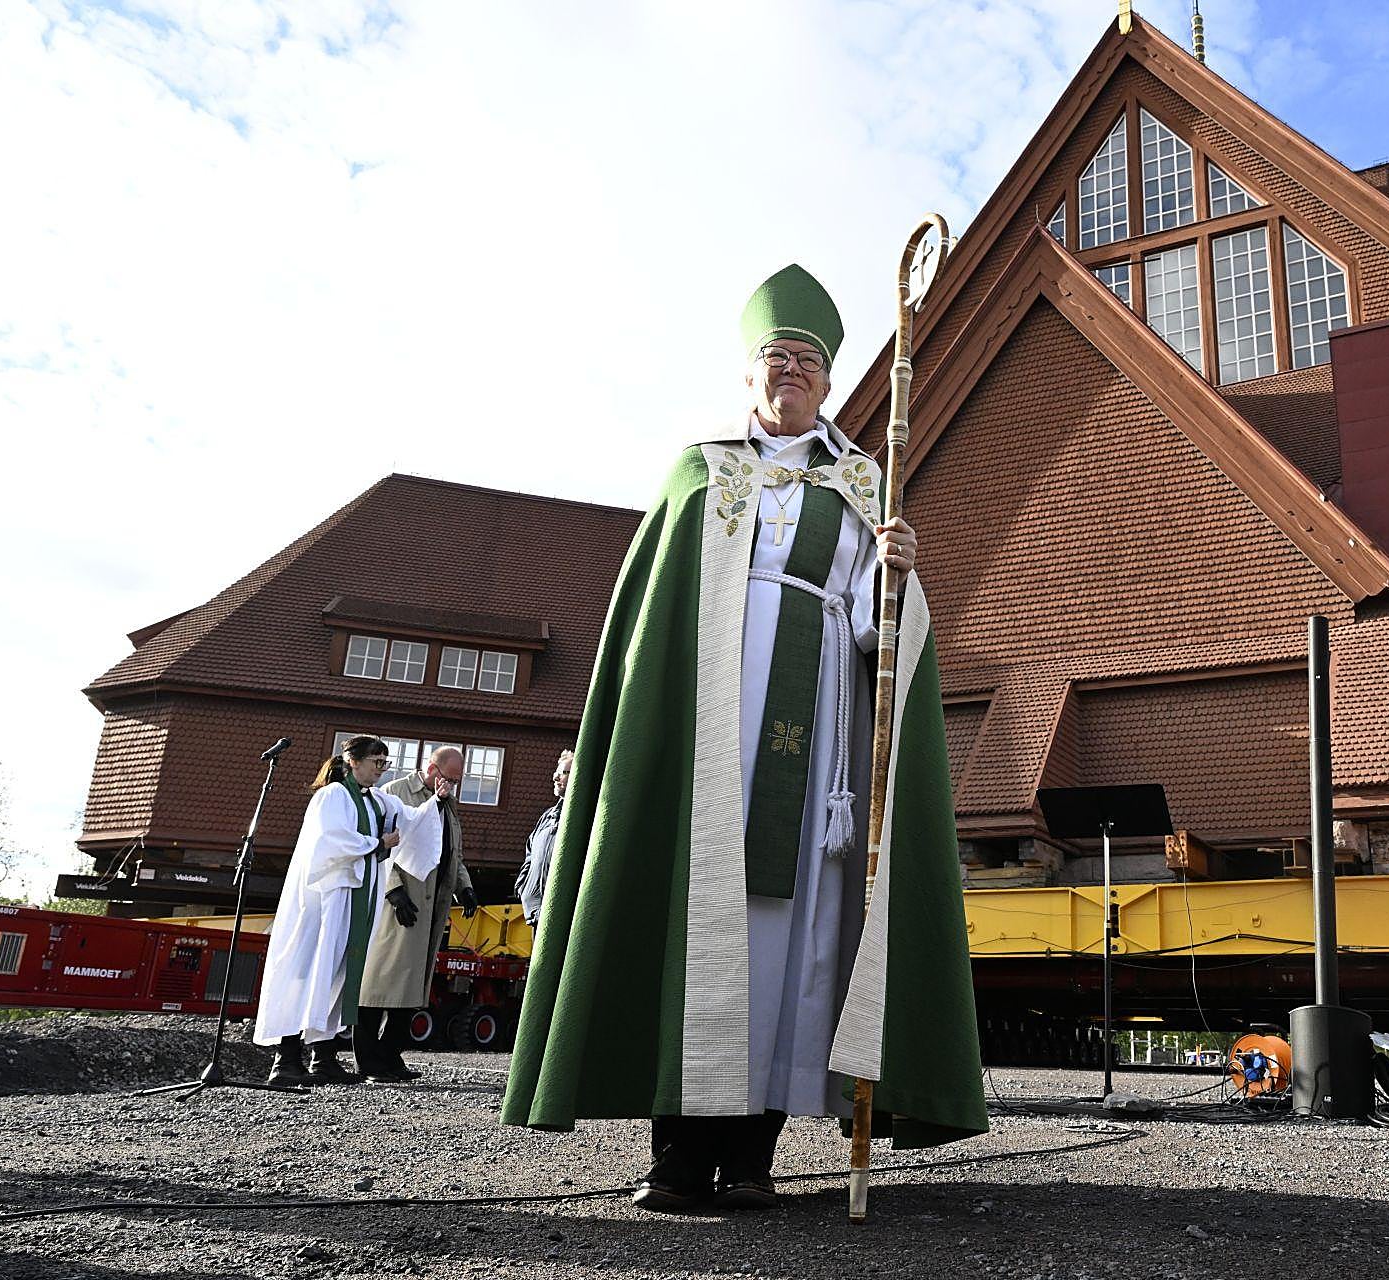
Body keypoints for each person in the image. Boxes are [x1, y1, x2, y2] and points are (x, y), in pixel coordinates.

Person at [502, 264, 986, 1213]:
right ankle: (678, 1157)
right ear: (749, 374)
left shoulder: (859, 485)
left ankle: (752, 1156)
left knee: (791, 948)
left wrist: (899, 580)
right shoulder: (699, 473)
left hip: (810, 776)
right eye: (776, 358)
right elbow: (653, 629)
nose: (790, 374)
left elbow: (874, 638)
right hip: (703, 758)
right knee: (698, 937)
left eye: (807, 362)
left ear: (829, 381)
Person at [256, 736, 446, 1084]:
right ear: (353, 761)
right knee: (311, 970)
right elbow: (329, 842)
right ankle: (285, 1060)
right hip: (327, 902)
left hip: (357, 901)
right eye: (377, 762)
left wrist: (437, 800)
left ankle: (324, 1057)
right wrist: (375, 843)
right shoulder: (332, 797)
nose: (381, 770)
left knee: (339, 974)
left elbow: (412, 822)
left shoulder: (377, 800)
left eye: (385, 764)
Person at [360, 746, 478, 1081]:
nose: (452, 786)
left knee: (412, 989)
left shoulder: (448, 806)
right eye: (448, 778)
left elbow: (452, 854)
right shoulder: (397, 793)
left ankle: (391, 1056)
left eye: (457, 781)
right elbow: (384, 844)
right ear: (431, 768)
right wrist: (394, 891)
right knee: (379, 983)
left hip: (430, 909)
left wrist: (464, 887)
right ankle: (369, 1061)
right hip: (401, 906)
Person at [513, 750, 573, 929]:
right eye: (556, 772)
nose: (555, 777)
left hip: (561, 914)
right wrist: (523, 885)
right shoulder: (547, 816)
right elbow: (530, 851)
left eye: (563, 772)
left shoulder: (583, 817)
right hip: (536, 911)